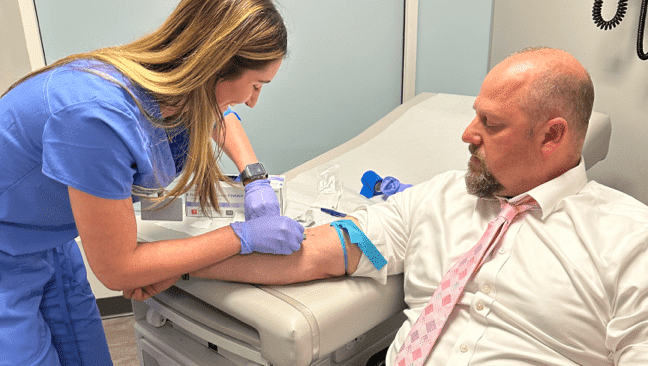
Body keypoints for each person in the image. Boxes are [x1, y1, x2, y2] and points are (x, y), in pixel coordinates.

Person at [132, 47, 648, 365]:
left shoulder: (630, 241)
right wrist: (176, 264)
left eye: (491, 124)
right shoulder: (440, 197)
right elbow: (314, 253)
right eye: (475, 115)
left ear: (551, 137)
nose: (467, 135)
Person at [0, 0, 305, 364]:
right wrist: (241, 237)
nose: (253, 101)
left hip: (45, 236)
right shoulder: (96, 119)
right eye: (256, 85)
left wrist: (254, 177)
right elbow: (118, 269)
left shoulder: (171, 88)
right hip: (7, 246)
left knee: (86, 355)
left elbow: (219, 115)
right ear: (214, 66)